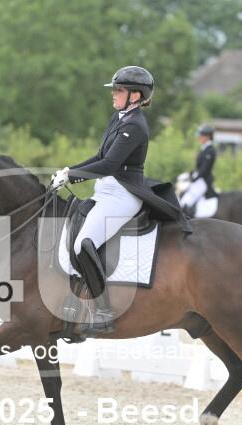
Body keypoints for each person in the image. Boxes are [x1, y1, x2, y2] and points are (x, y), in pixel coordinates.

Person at [50, 66, 154, 334]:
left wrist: (73, 177)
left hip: (123, 195)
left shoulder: (135, 125)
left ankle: (103, 311)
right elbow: (99, 157)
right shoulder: (119, 118)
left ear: (135, 95)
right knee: (71, 233)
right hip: (106, 191)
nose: (113, 94)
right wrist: (68, 171)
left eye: (119, 90)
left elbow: (109, 165)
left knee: (84, 243)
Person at [180, 124, 217, 217]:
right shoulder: (204, 149)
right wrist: (189, 174)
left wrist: (194, 178)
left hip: (204, 181)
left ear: (208, 136)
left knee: (186, 201)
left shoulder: (210, 150)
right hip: (200, 179)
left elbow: (204, 169)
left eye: (201, 135)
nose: (199, 137)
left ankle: (189, 220)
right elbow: (199, 168)